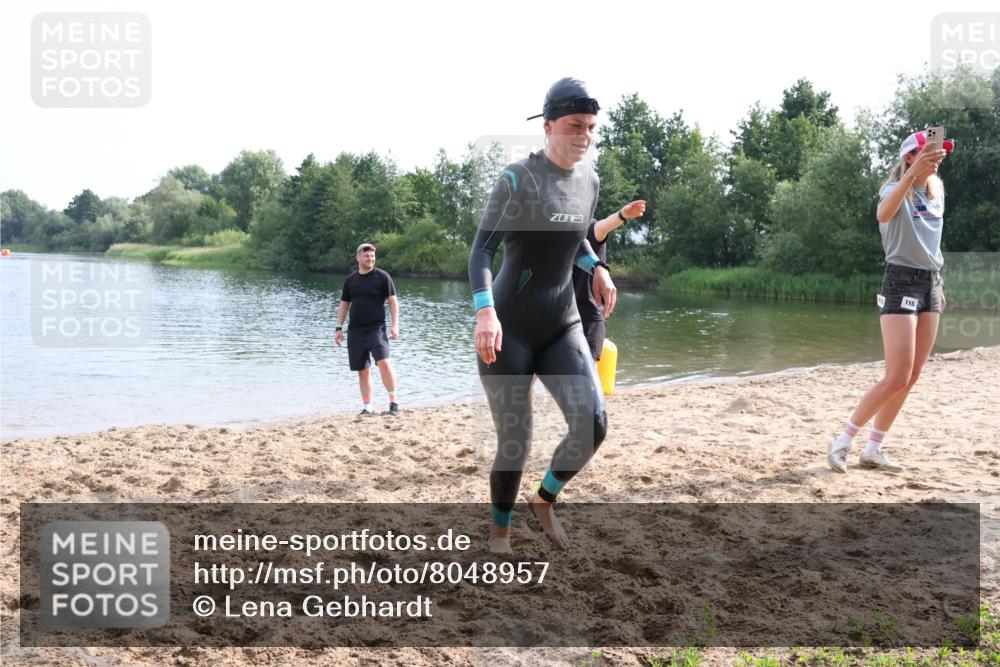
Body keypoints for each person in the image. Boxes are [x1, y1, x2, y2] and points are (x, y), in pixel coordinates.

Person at [469, 77, 617, 554]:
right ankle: (499, 534)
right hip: (507, 328)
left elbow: (573, 239)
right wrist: (486, 313)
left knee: (592, 423)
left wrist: (596, 268)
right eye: (575, 125)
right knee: (516, 439)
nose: (585, 136)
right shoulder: (517, 178)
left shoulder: (589, 181)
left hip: (561, 323)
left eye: (591, 127)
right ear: (549, 125)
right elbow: (481, 254)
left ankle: (545, 498)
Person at [826, 130, 953, 473]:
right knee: (896, 376)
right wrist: (911, 175)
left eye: (940, 153)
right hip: (901, 280)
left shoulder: (937, 190)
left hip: (931, 282)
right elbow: (883, 215)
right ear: (910, 156)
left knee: (911, 377)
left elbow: (932, 242)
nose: (937, 157)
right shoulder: (893, 190)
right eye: (928, 152)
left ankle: (874, 448)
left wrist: (939, 286)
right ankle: (842, 442)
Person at [573, 200, 646, 361]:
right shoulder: (555, 231)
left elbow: (605, 225)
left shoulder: (590, 228)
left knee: (583, 375)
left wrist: (622, 215)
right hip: (556, 315)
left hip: (587, 318)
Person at [335, 243, 401, 416]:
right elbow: (344, 305)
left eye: (372, 256)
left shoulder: (383, 277)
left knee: (384, 362)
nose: (370, 259)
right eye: (366, 256)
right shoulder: (350, 280)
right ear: (358, 258)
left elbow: (393, 302)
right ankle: (368, 407)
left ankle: (393, 402)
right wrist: (338, 327)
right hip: (355, 331)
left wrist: (395, 326)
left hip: (376, 329)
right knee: (363, 371)